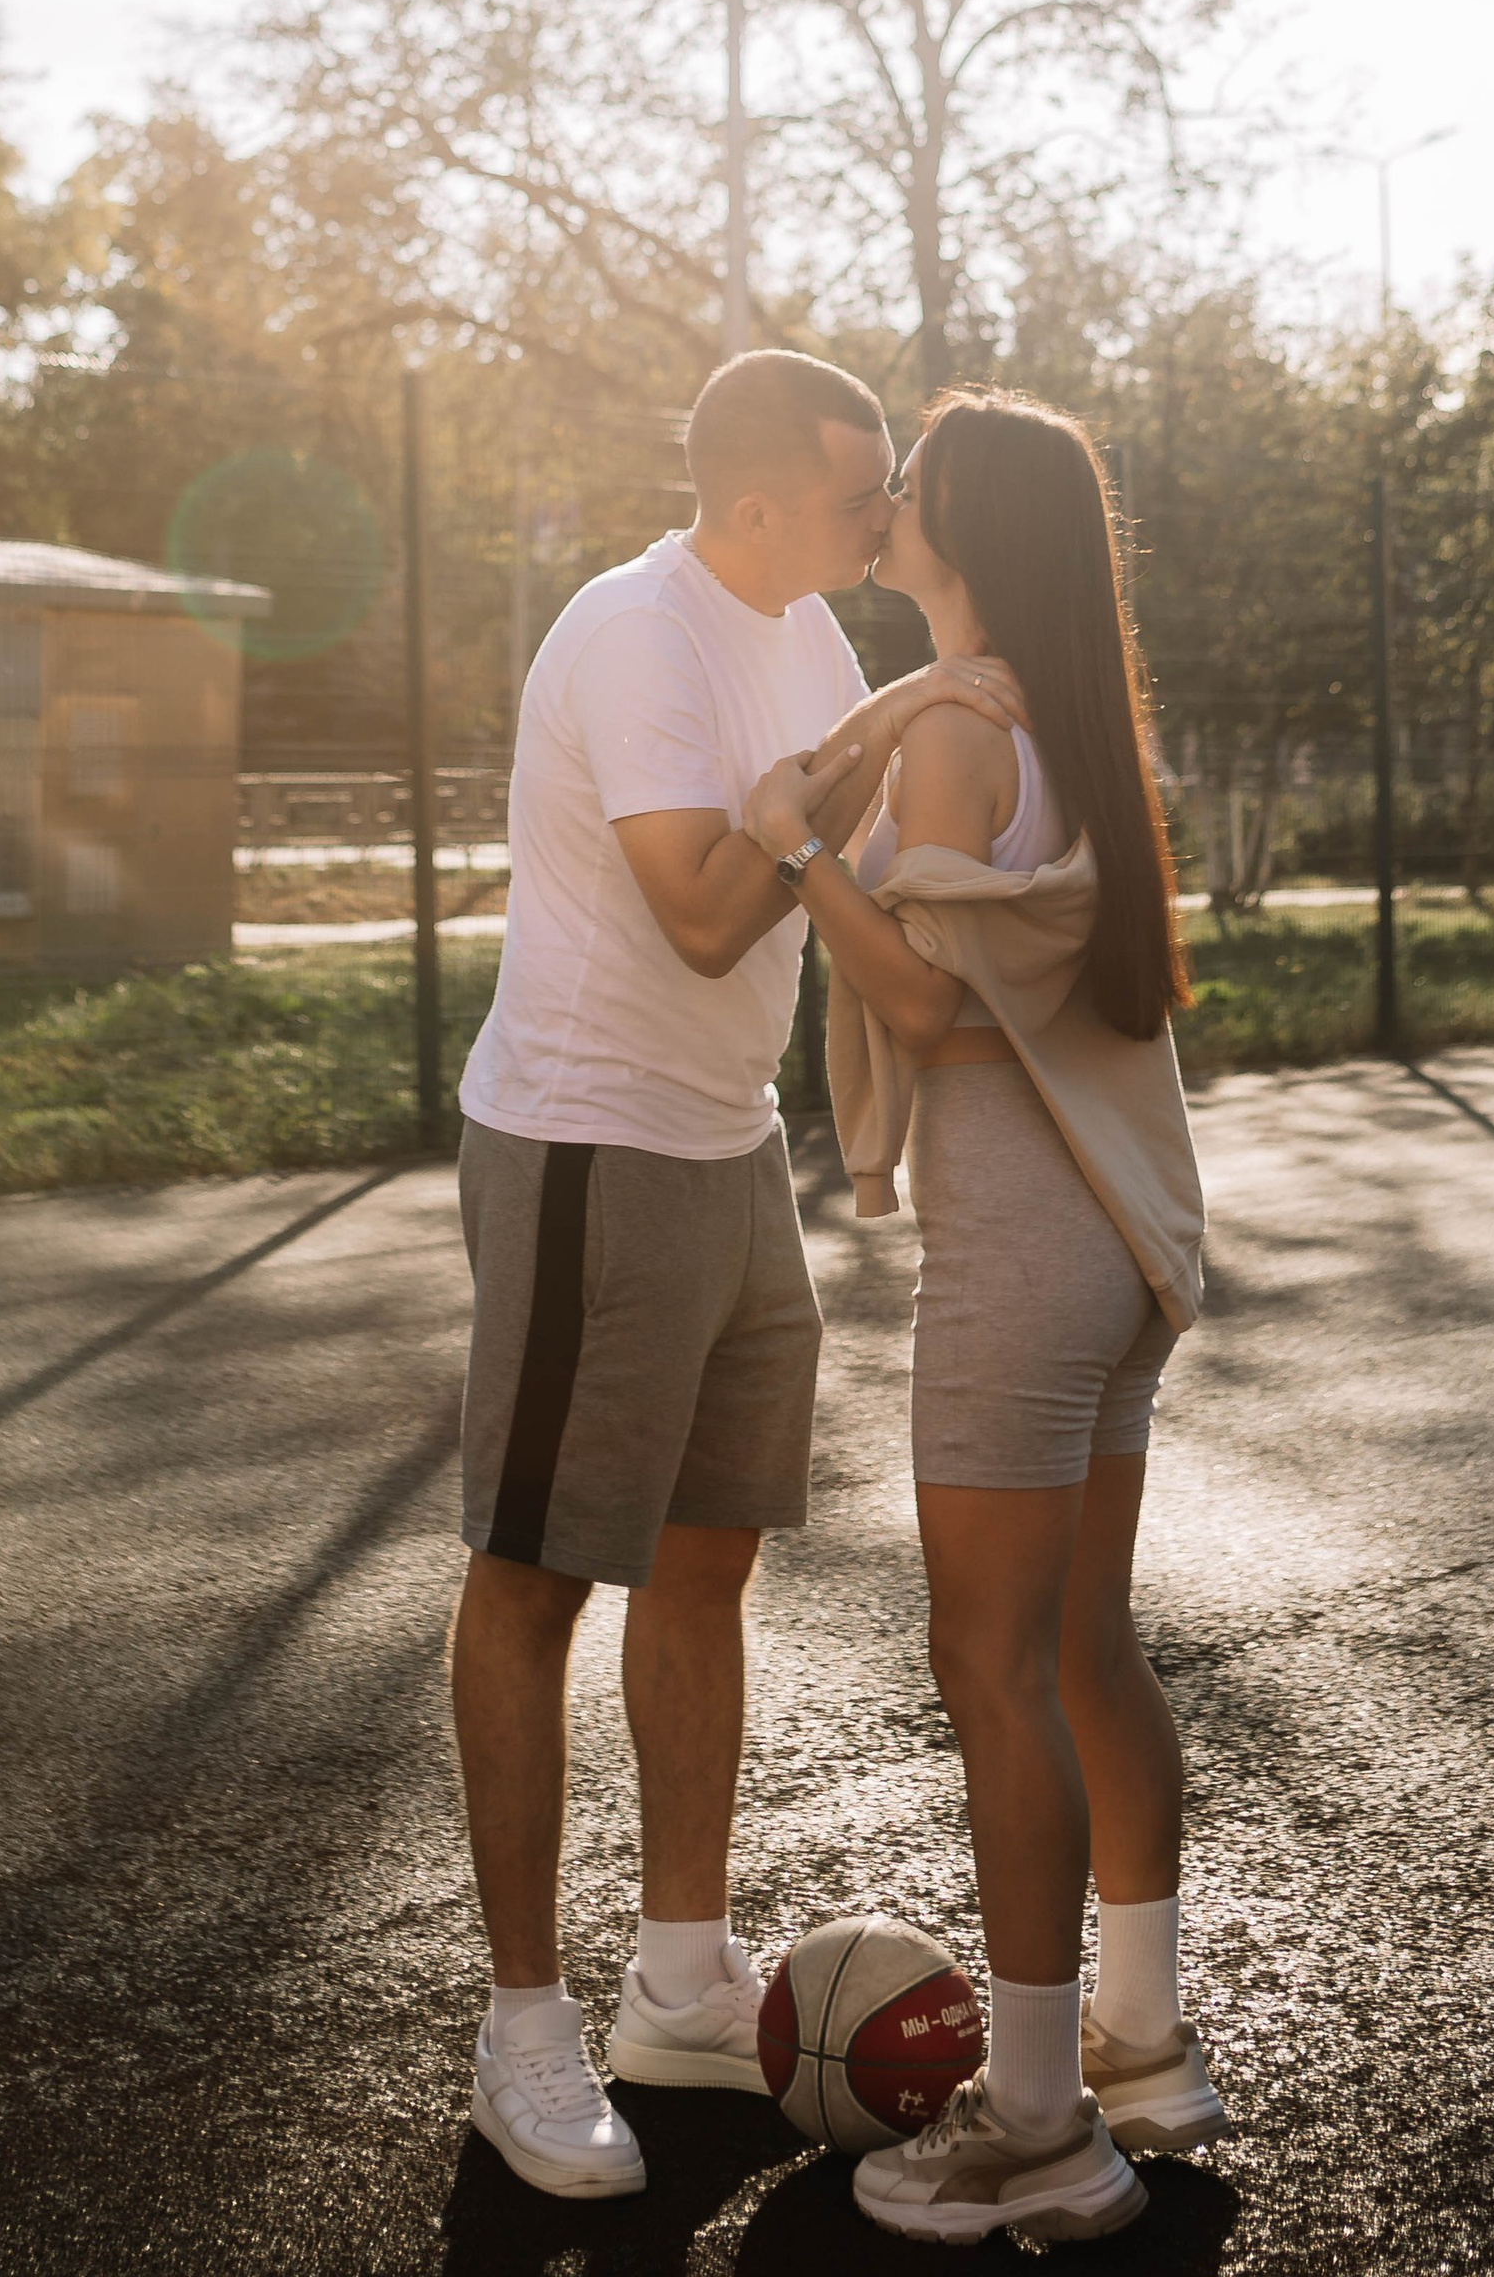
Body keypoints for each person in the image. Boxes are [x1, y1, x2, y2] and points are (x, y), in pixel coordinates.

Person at [448, 347, 1024, 2201]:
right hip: (588, 1140)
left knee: (706, 1561)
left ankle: (676, 1987)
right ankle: (521, 2033)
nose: (887, 520)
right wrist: (879, 735)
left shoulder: (812, 634)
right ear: (761, 503)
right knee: (536, 1574)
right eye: (864, 496)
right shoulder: (639, 635)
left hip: (726, 1147)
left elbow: (840, 862)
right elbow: (710, 908)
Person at [746, 387, 1219, 2250]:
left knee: (992, 1671)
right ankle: (1143, 2047)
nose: (885, 506)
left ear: (969, 527)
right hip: (1116, 1248)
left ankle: (1039, 2129)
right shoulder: (1056, 714)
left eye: (913, 487)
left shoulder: (958, 736)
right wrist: (863, 748)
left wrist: (796, 856)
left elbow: (927, 1007)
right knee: (1088, 1648)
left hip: (1021, 1259)